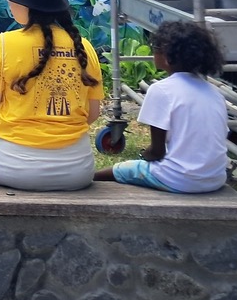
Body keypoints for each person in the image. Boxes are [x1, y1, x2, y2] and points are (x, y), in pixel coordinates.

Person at [0, 0, 103, 192]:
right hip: (77, 172)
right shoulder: (85, 47)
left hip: (12, 169)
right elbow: (93, 113)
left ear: (24, 2)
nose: (9, 3)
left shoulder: (2, 44)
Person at [95, 21, 229, 193]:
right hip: (215, 179)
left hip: (180, 180)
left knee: (122, 169)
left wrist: (143, 156)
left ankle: (87, 179)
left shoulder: (161, 90)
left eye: (155, 48)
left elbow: (156, 152)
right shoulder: (214, 93)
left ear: (166, 55)